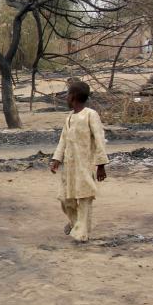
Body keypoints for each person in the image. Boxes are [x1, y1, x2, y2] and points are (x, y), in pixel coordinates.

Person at [50, 81, 108, 242]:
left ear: (73, 96)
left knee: (84, 199)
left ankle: (82, 234)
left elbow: (99, 139)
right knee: (65, 199)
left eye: (68, 94)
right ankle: (75, 224)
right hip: (69, 168)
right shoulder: (69, 117)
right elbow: (63, 140)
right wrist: (56, 159)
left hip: (84, 166)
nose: (66, 98)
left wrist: (101, 165)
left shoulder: (90, 115)